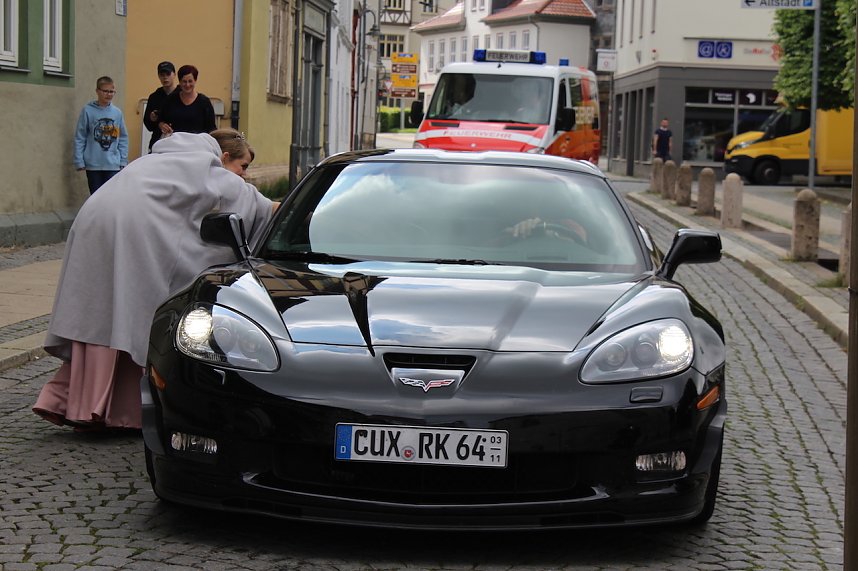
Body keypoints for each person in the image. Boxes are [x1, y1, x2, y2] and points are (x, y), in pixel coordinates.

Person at [33, 128, 277, 432]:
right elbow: (259, 207)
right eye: (242, 167)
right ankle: (117, 409)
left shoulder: (157, 159)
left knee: (97, 314)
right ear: (224, 156)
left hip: (93, 220)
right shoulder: (205, 166)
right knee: (135, 313)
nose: (243, 175)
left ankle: (73, 399)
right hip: (127, 229)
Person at [73, 76, 129, 194]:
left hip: (113, 164)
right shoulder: (88, 110)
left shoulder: (117, 113)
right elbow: (80, 136)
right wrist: (79, 160)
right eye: (105, 91)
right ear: (97, 91)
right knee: (95, 195)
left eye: (111, 91)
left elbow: (123, 137)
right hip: (94, 164)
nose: (109, 94)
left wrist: (123, 160)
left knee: (110, 195)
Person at [158, 64, 217, 136]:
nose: (187, 85)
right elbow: (160, 120)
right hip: (175, 144)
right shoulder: (170, 100)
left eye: (190, 81)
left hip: (197, 144)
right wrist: (163, 125)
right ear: (179, 82)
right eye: (184, 81)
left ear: (195, 81)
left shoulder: (204, 102)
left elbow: (211, 128)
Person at [142, 61, 178, 152]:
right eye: (162, 74)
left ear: (174, 74)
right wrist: (154, 120)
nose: (165, 77)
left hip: (178, 142)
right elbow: (148, 124)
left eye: (168, 74)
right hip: (158, 141)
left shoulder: (182, 95)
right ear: (158, 76)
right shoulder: (154, 97)